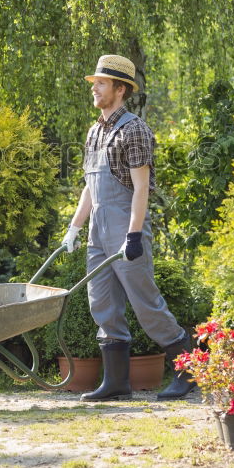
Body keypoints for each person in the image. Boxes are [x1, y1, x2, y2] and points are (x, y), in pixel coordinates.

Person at [62, 54, 195, 401]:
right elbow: (91, 186)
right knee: (101, 305)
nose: (95, 89)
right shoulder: (95, 131)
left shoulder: (134, 130)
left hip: (125, 227)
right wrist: (75, 228)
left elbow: (140, 188)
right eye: (95, 84)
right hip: (97, 231)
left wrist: (134, 234)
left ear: (120, 90)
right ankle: (117, 383)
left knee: (146, 304)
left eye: (101, 84)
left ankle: (188, 371)